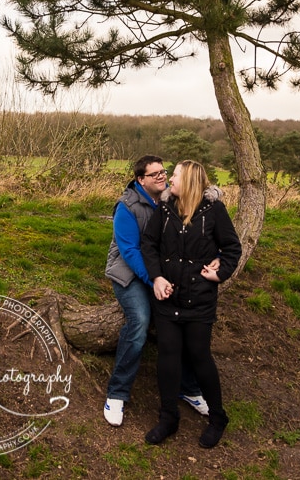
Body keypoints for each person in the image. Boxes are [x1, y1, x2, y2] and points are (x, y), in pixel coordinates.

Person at [103, 154, 211, 426]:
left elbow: (203, 200)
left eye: (164, 172)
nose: (163, 177)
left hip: (161, 274)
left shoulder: (170, 200)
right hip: (130, 275)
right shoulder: (126, 207)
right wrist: (156, 281)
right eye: (155, 174)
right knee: (139, 321)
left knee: (181, 319)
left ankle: (188, 388)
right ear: (141, 180)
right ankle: (117, 393)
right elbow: (129, 251)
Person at [141, 160, 242, 449]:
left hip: (199, 300)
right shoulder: (165, 208)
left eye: (174, 175)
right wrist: (157, 277)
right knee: (168, 356)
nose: (168, 179)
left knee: (199, 357)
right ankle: (168, 417)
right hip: (167, 297)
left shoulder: (214, 211)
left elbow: (232, 248)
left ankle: (218, 418)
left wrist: (220, 271)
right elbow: (149, 244)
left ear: (191, 181)